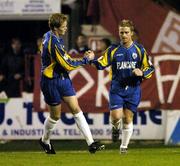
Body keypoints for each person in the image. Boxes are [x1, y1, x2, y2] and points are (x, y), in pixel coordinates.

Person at [39, 13, 105, 154]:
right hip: (50, 81)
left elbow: (60, 59)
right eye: (63, 26)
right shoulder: (54, 42)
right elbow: (68, 65)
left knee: (76, 109)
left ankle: (91, 143)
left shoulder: (49, 36)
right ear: (56, 27)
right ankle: (44, 141)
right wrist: (86, 59)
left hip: (62, 77)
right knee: (55, 116)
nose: (66, 28)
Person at [88, 19, 154, 154]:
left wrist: (142, 72)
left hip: (133, 89)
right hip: (117, 89)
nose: (123, 35)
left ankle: (123, 147)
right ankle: (115, 129)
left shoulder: (139, 50)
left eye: (126, 32)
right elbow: (101, 64)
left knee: (128, 118)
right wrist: (90, 60)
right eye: (121, 32)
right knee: (116, 116)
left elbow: (150, 68)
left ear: (131, 33)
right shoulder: (113, 49)